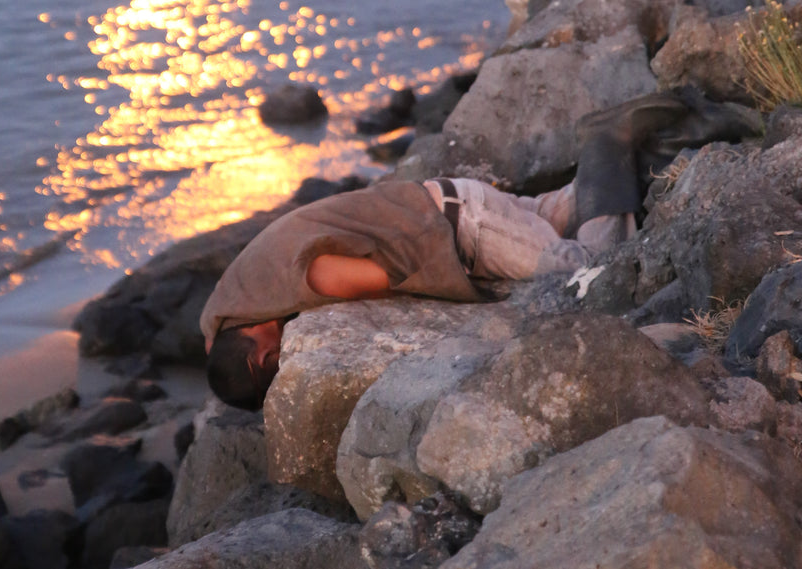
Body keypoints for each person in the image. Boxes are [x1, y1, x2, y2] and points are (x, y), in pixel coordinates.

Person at [200, 90, 753, 410]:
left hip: (466, 229)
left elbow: (371, 279)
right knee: (566, 212)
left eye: (279, 367)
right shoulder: (249, 286)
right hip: (459, 205)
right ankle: (671, 145)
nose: (287, 360)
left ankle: (607, 138)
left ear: (262, 356)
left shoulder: (301, 281)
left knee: (592, 275)